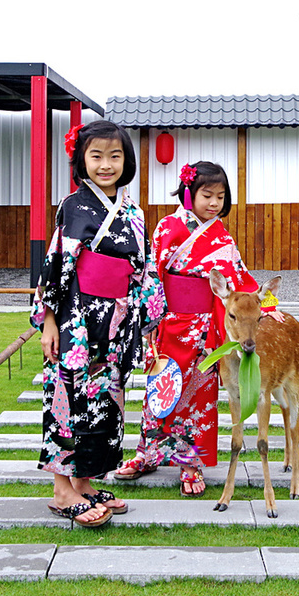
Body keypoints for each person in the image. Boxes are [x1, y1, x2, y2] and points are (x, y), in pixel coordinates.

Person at [114, 160, 282, 497]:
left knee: (197, 397)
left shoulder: (221, 235)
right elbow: (151, 275)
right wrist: (149, 320)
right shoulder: (168, 227)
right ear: (189, 193)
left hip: (207, 329)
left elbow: (240, 280)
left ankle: (190, 461)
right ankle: (148, 453)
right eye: (207, 195)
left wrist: (268, 307)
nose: (214, 203)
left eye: (220, 197)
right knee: (160, 391)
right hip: (169, 321)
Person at [31, 119, 164, 527]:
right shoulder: (72, 207)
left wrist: (148, 323)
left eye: (115, 156)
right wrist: (50, 320)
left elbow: (144, 270)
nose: (106, 164)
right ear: (81, 160)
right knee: (68, 399)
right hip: (76, 319)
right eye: (96, 156)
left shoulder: (135, 214)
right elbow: (55, 265)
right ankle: (61, 489)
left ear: (127, 161)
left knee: (106, 402)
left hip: (118, 321)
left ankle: (85, 481)